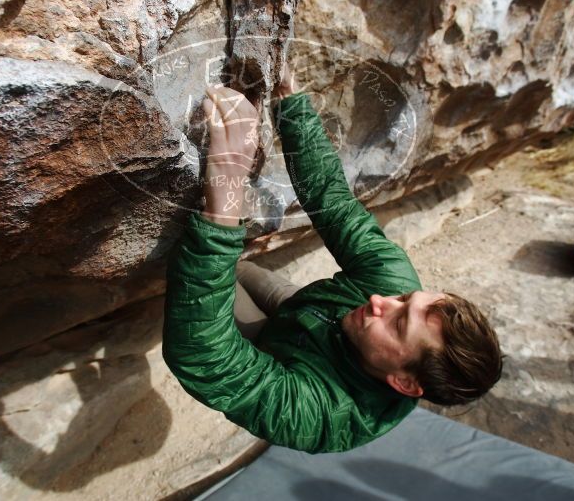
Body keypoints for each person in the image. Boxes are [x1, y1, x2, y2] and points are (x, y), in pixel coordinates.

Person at [162, 66, 503, 454]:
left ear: (405, 383)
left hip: (277, 357)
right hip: (307, 310)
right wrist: (290, 102)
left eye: (399, 323)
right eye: (408, 300)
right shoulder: (392, 284)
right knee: (220, 261)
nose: (382, 302)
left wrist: (226, 184)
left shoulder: (321, 417)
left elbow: (207, 357)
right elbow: (332, 203)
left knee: (190, 268)